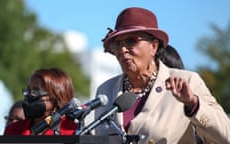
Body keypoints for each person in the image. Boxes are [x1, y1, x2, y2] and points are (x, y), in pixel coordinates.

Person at [94, 7, 230, 144]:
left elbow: (226, 136)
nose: (123, 50)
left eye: (130, 41)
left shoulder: (187, 82)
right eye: (117, 45)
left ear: (153, 46)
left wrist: (193, 104)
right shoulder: (105, 91)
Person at [4, 68, 77, 135]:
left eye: (35, 91)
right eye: (28, 90)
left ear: (56, 98)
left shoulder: (72, 131)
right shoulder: (13, 130)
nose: (29, 95)